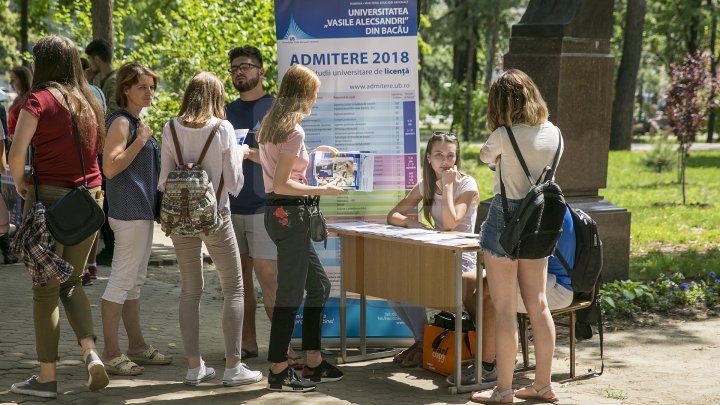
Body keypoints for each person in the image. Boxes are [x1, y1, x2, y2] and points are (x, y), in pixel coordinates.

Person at [8, 35, 109, 398]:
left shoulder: (38, 100)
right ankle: (91, 354)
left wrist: (20, 185)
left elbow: (16, 156)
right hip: (91, 200)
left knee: (44, 291)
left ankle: (47, 379)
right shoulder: (90, 100)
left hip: (50, 201)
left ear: (44, 64)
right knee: (72, 282)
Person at [158, 71, 262, 387]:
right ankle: (233, 368)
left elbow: (163, 181)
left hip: (180, 218)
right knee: (234, 287)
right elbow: (233, 183)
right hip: (216, 218)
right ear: (217, 98)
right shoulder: (223, 129)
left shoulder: (170, 127)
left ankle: (194, 367)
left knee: (190, 290)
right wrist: (242, 154)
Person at [470, 69, 563, 404]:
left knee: (506, 308)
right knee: (538, 304)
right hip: (539, 219)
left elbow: (485, 158)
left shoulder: (502, 135)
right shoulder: (554, 133)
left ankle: (504, 390)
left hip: (505, 219)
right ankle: (542, 384)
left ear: (500, 103)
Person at [258, 64, 345, 392]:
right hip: (289, 215)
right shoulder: (293, 131)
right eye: (314, 93)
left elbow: (286, 174)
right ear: (304, 94)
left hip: (281, 213)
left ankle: (312, 361)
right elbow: (282, 184)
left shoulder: (272, 124)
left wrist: (316, 155)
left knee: (319, 285)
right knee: (290, 294)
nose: (316, 98)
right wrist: (324, 190)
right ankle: (279, 369)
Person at [449, 206, 576, 386]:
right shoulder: (543, 199)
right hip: (545, 277)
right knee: (469, 279)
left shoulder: (532, 207)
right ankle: (496, 349)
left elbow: (508, 253)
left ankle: (488, 366)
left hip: (558, 285)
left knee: (491, 289)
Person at [100, 62, 172, 376]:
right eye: (142, 86)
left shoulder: (134, 121)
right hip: (127, 213)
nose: (148, 92)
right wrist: (141, 140)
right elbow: (110, 168)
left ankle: (137, 346)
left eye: (151, 86)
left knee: (133, 283)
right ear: (125, 89)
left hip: (140, 213)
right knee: (121, 281)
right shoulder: (122, 122)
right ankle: (111, 353)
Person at [386, 132, 479, 368]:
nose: (445, 161)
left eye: (451, 156)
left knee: (410, 283)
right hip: (437, 255)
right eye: (439, 155)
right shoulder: (426, 185)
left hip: (462, 259)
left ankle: (422, 343)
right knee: (393, 285)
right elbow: (393, 215)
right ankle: (422, 341)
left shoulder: (466, 184)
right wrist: (411, 222)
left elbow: (450, 223)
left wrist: (448, 187)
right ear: (428, 158)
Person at [225, 45, 291, 363]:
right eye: (235, 67)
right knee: (239, 285)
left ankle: (283, 348)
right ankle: (247, 344)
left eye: (246, 66)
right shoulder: (224, 112)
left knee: (270, 281)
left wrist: (251, 153)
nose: (240, 71)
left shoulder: (277, 109)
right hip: (230, 208)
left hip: (265, 207)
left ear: (261, 72)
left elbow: (290, 160)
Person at [85, 38, 117, 269]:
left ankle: (112, 248)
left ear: (96, 58)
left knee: (106, 202)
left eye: (89, 59)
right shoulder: (103, 80)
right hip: (105, 149)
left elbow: (112, 115)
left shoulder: (112, 82)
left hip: (110, 149)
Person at [80, 56, 107, 286]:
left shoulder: (73, 92)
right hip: (96, 163)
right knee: (93, 217)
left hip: (77, 166)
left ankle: (80, 268)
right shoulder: (98, 92)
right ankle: (92, 264)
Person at [85, 38, 118, 113]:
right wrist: (89, 83)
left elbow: (113, 113)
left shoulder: (114, 81)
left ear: (97, 59)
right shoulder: (100, 80)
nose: (89, 63)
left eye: (89, 58)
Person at [7, 65, 33, 138]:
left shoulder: (30, 99)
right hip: (13, 140)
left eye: (13, 79)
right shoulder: (18, 99)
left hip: (23, 144)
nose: (10, 83)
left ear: (23, 79)